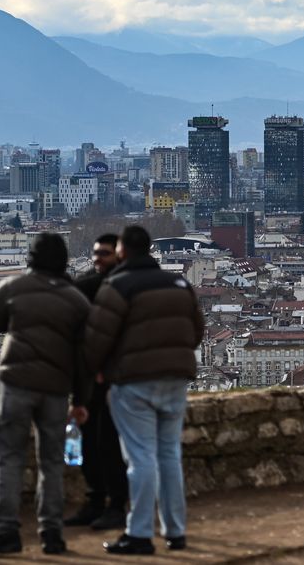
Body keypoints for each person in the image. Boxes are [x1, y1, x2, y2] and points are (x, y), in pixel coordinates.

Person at [0, 234, 91, 557]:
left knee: (9, 458)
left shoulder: (13, 288)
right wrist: (80, 400)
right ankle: (52, 533)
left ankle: (6, 530)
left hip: (18, 381)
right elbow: (83, 355)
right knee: (51, 461)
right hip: (56, 386)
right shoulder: (76, 299)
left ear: (31, 258)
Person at [85, 225, 204, 555]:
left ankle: (138, 534)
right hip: (176, 379)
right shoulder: (178, 282)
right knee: (169, 454)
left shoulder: (118, 285)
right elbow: (196, 330)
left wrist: (96, 370)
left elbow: (98, 336)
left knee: (140, 458)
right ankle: (175, 531)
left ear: (122, 251)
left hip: (133, 380)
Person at [65, 233, 129, 532]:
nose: (97, 258)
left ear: (118, 254)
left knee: (109, 444)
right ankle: (97, 501)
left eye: (104, 253)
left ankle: (115, 505)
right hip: (92, 375)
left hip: (113, 375)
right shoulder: (90, 284)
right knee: (92, 441)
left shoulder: (107, 285)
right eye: (95, 253)